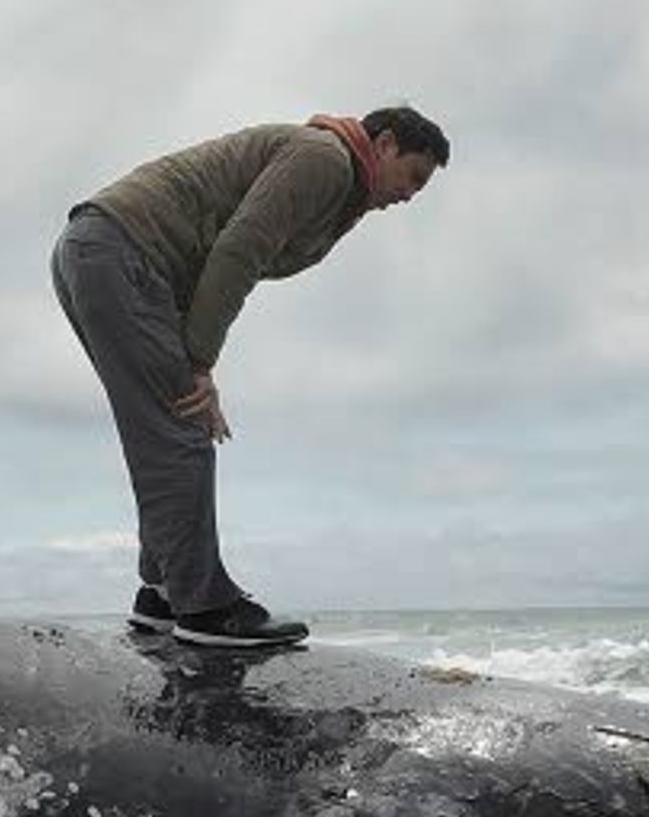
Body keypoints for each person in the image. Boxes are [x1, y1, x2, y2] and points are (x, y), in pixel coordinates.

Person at [49, 104, 450, 650]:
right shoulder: (325, 159)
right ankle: (204, 607)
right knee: (180, 430)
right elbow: (239, 250)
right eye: (414, 176)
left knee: (165, 430)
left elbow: (221, 252)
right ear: (383, 144)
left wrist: (190, 358)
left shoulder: (336, 182)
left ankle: (163, 594)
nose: (409, 196)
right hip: (121, 253)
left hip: (101, 254)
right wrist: (198, 364)